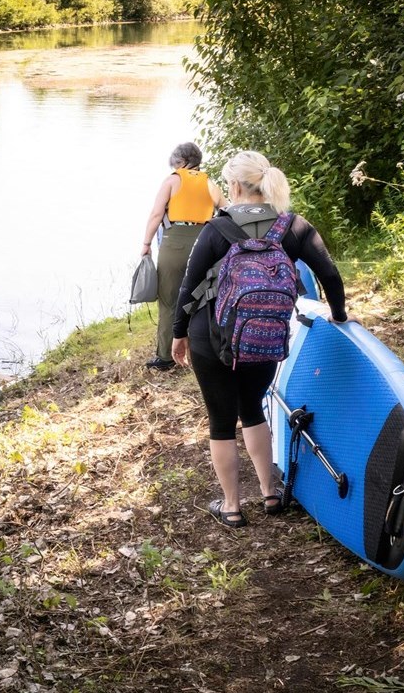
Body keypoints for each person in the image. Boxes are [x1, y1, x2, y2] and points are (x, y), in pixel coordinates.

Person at [171, 150, 350, 528]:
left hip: (211, 337)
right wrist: (338, 315)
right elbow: (330, 275)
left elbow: (188, 286)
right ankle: (270, 492)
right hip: (264, 338)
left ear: (235, 187)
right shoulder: (293, 226)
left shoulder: (216, 228)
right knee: (252, 407)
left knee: (221, 421)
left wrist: (178, 333)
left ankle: (232, 507)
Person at [139, 142, 227, 371]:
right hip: (204, 243)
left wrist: (146, 244)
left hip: (174, 243)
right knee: (201, 298)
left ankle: (165, 357)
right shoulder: (210, 184)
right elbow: (228, 212)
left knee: (169, 300)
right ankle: (200, 351)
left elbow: (156, 214)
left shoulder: (172, 181)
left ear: (181, 161)